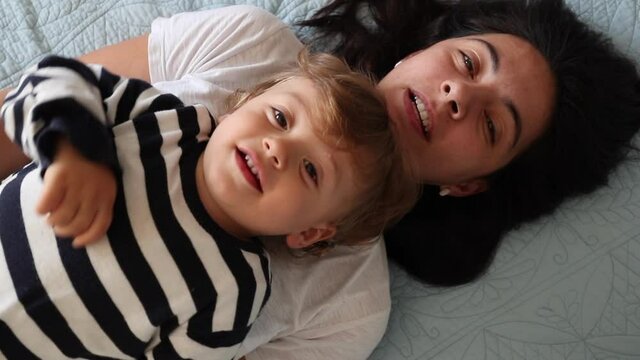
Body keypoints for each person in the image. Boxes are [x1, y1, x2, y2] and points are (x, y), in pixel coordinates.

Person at [1, 0, 639, 359]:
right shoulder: (244, 53)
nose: (454, 96)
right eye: (468, 63)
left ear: (470, 184)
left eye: (493, 124)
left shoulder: (346, 313)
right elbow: (33, 101)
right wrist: (73, 151)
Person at [0, 51, 415, 359]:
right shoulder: (163, 122)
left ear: (308, 233)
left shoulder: (233, 295)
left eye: (311, 170)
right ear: (240, 104)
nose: (278, 149)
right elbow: (52, 76)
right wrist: (75, 146)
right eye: (280, 118)